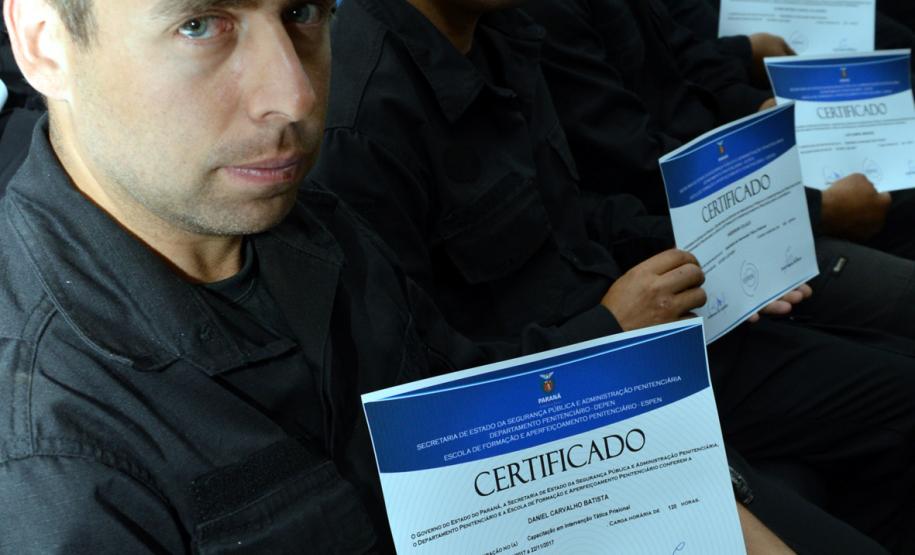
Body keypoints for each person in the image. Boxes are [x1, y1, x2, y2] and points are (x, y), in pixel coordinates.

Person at [312, 0, 915, 551]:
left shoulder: (501, 31)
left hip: (641, 333)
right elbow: (420, 402)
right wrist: (609, 326)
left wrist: (708, 252)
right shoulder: (362, 122)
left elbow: (575, 213)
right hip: (561, 431)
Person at [0, 0, 598, 551]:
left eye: (303, 12)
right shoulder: (50, 458)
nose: (297, 96)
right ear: (44, 44)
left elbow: (452, 410)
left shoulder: (314, 227)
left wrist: (612, 348)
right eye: (199, 26)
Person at [523, 0, 915, 340]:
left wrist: (755, 107)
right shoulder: (538, 18)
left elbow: (685, 60)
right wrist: (814, 209)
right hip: (686, 229)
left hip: (714, 204)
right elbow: (634, 172)